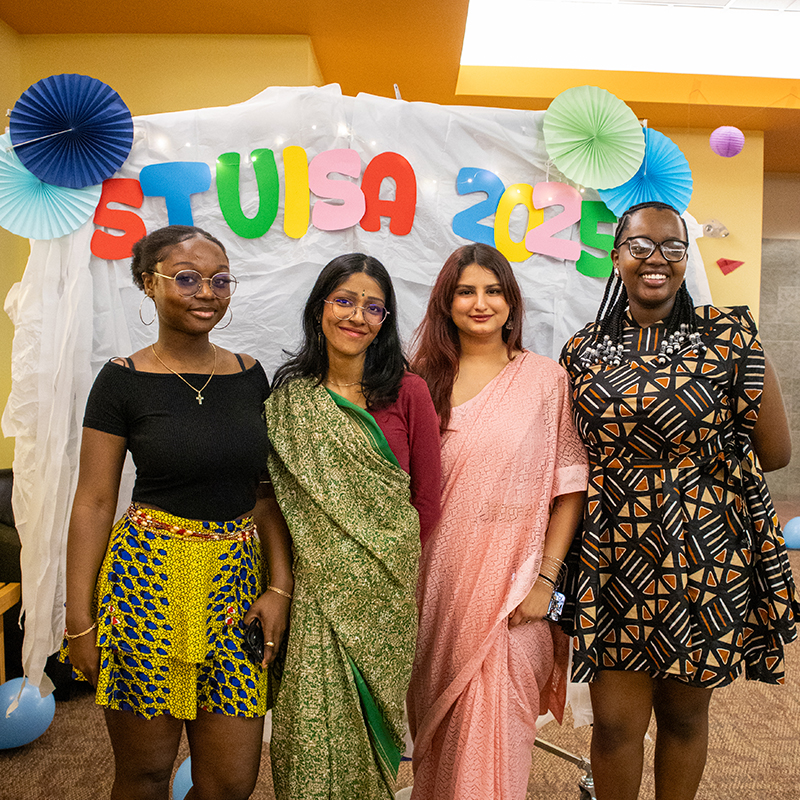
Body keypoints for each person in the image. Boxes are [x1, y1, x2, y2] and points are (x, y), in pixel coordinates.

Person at [559, 201, 800, 800]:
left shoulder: (729, 336)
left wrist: (693, 469)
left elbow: (775, 451)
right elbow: (569, 454)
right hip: (614, 556)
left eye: (671, 246)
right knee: (615, 724)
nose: (656, 259)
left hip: (704, 555)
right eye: (640, 245)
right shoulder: (581, 351)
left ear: (685, 259)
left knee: (686, 717)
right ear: (616, 258)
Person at [62, 225, 293, 800]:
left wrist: (281, 587)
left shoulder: (249, 375)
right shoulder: (121, 380)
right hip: (147, 585)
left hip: (235, 587)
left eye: (219, 280)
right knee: (144, 773)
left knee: (232, 781)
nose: (206, 292)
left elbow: (264, 492)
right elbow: (93, 501)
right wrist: (78, 620)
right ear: (149, 283)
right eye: (186, 277)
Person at [406, 243, 588, 800]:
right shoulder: (417, 380)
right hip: (431, 587)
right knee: (437, 736)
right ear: (447, 302)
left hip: (515, 593)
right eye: (466, 291)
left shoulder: (545, 380)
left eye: (493, 290)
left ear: (511, 302)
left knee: (496, 739)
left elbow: (569, 489)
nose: (480, 303)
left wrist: (545, 582)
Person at [263, 253, 441, 800]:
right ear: (320, 307)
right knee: (309, 734)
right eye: (345, 301)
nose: (357, 317)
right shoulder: (290, 398)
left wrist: (380, 567)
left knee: (371, 734)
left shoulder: (407, 392)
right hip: (315, 596)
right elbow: (273, 498)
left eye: (373, 307)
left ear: (384, 321)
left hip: (384, 595)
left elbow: (426, 502)